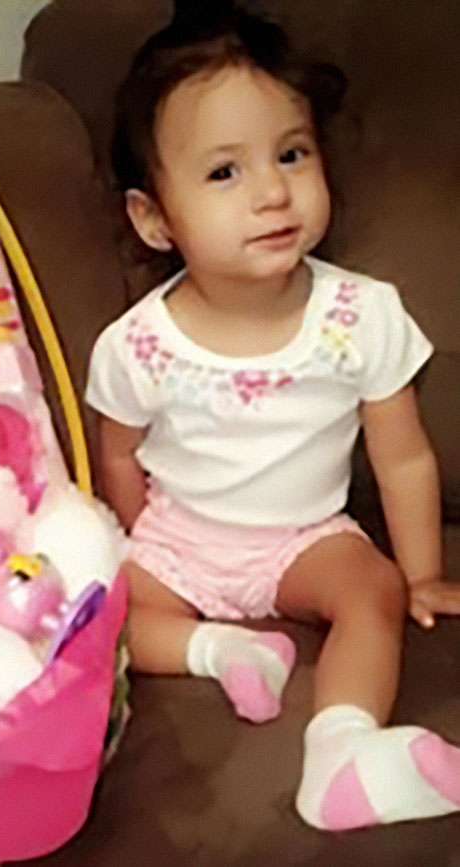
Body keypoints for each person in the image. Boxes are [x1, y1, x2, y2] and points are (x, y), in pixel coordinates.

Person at [85, 3, 460, 831]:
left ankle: (344, 751)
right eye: (225, 172)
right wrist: (146, 554)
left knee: (374, 591)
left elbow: (402, 458)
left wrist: (422, 569)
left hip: (304, 539)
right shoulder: (137, 344)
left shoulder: (362, 314)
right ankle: (223, 652)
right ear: (155, 218)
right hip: (181, 535)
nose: (272, 190)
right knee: (98, 613)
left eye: (291, 154)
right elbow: (120, 461)